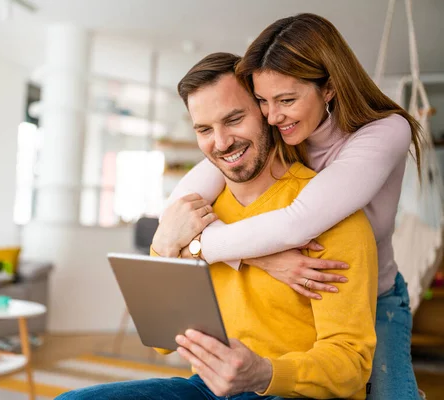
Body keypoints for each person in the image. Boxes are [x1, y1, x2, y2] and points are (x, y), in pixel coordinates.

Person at [57, 52, 378, 400]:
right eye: (204, 129)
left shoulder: (330, 213)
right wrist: (166, 246)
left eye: (234, 119)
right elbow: (165, 342)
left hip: (292, 391)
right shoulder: (189, 216)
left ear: (266, 112)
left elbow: (351, 363)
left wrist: (264, 372)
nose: (221, 142)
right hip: (207, 390)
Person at [165, 13, 422, 400]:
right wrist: (262, 259)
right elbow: (178, 207)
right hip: (305, 289)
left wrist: (195, 248)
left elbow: (296, 225)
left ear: (330, 88)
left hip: (376, 295)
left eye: (286, 100)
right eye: (263, 102)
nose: (272, 115)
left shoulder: (385, 131)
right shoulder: (279, 130)